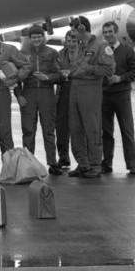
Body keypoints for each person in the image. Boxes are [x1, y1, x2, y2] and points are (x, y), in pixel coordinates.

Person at [0, 19, 32, 178]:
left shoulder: (8, 49)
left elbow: (27, 65)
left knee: (4, 132)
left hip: (1, 94)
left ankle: (9, 166)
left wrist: (16, 79)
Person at [65, 16, 115, 178]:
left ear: (81, 29)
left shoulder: (101, 46)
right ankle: (83, 163)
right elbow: (77, 68)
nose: (72, 34)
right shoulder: (80, 47)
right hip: (75, 89)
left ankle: (95, 165)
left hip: (90, 90)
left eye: (74, 30)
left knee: (92, 127)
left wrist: (90, 69)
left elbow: (108, 70)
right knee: (75, 128)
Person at [16, 25, 63, 175]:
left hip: (46, 92)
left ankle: (52, 162)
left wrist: (47, 78)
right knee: (28, 129)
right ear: (29, 38)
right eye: (33, 37)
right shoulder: (22, 53)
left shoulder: (51, 53)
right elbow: (15, 76)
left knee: (48, 130)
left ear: (43, 37)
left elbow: (61, 75)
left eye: (39, 36)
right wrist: (19, 95)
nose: (36, 39)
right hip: (28, 92)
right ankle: (29, 164)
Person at [101, 21, 135, 175]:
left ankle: (132, 164)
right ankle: (107, 163)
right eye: (105, 32)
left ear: (115, 32)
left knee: (127, 130)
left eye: (110, 31)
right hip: (105, 95)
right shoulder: (101, 51)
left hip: (122, 95)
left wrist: (120, 78)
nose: (108, 35)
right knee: (106, 131)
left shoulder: (127, 51)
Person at [55, 30, 79, 169]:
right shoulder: (60, 55)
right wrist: (60, 74)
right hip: (63, 90)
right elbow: (55, 70)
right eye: (69, 41)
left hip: (79, 90)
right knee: (61, 127)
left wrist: (72, 74)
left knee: (78, 127)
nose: (71, 44)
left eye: (74, 41)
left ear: (78, 42)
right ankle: (63, 157)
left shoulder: (83, 54)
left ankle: (83, 159)